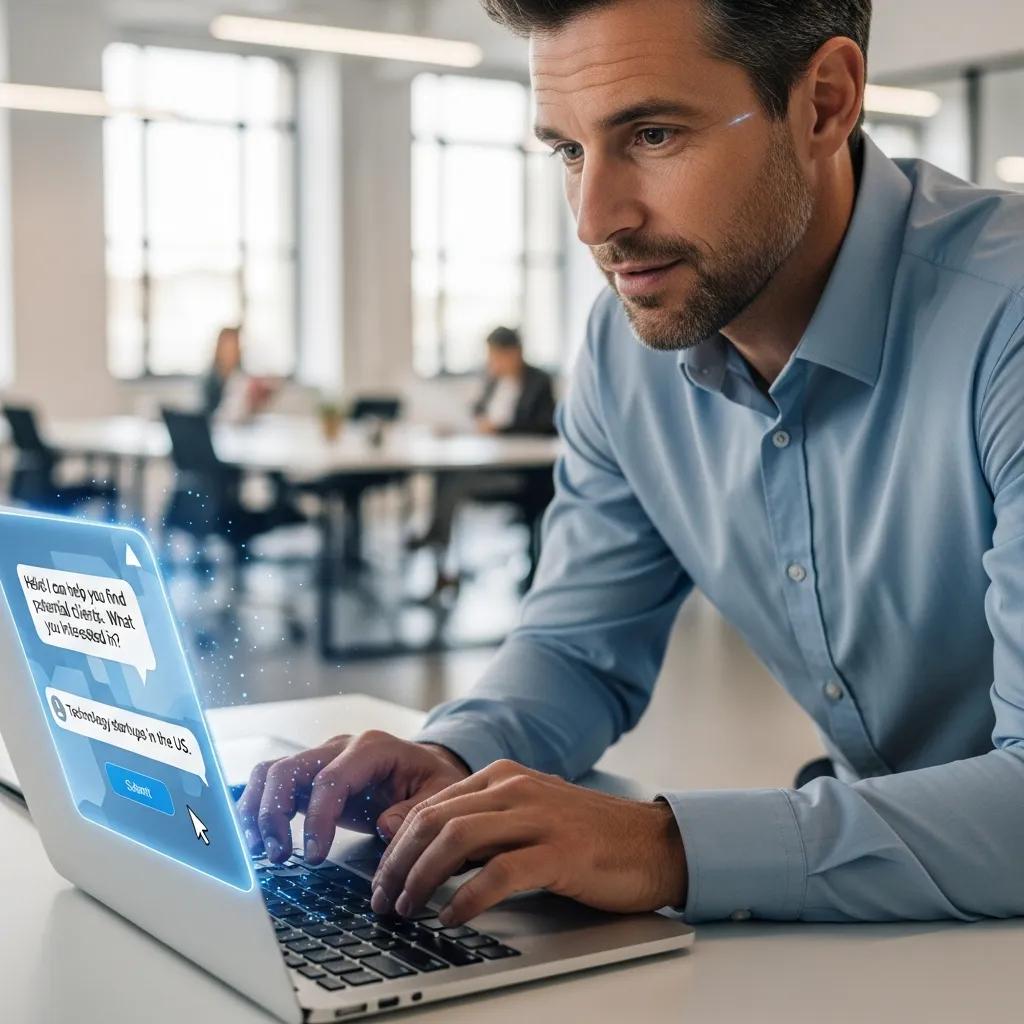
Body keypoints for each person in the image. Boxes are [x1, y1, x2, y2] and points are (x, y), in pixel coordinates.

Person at [240, 0, 1024, 929]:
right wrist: (456, 758)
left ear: (825, 102)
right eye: (568, 151)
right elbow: (577, 647)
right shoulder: (625, 350)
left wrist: (658, 847)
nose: (593, 220)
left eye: (652, 134)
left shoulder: (1003, 321)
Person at [409, 327, 556, 595]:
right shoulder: (493, 381)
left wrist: (499, 430)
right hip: (491, 460)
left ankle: (434, 537)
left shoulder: (538, 382)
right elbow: (476, 413)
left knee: (455, 486)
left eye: (496, 356)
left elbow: (544, 427)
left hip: (522, 473)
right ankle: (439, 557)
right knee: (442, 475)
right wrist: (462, 425)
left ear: (513, 353)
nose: (492, 362)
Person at [200, 325, 276, 423]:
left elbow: (245, 415)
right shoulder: (210, 381)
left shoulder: (242, 379)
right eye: (227, 347)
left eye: (234, 347)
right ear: (219, 348)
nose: (230, 352)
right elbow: (210, 416)